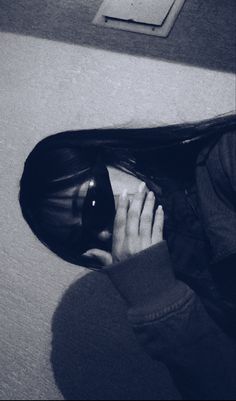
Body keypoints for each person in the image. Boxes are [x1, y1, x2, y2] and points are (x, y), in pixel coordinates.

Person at [19, 114, 236, 399]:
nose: (107, 236)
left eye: (94, 206)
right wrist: (156, 297)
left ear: (117, 157)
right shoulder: (170, 278)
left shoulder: (227, 159)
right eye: (83, 240)